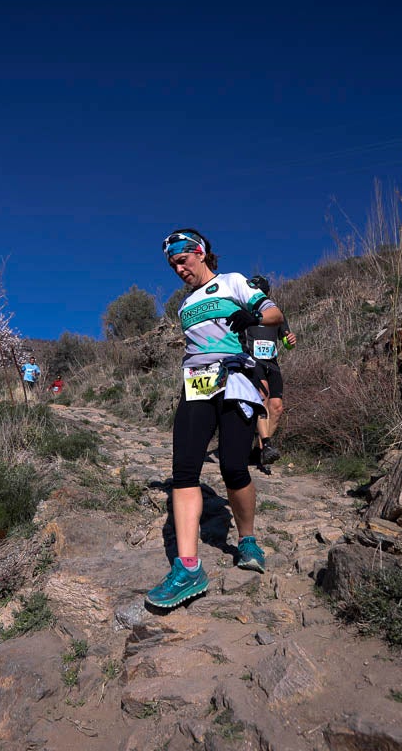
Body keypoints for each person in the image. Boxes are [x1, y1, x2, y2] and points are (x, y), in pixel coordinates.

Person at [146, 228, 286, 609]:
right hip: (196, 384)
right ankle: (188, 568)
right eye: (172, 265)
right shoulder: (183, 306)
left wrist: (252, 315)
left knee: (233, 467)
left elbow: (274, 314)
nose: (179, 269)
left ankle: (247, 539)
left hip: (236, 379)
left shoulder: (233, 282)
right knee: (184, 471)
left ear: (201, 252)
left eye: (182, 260)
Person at [241, 276, 296, 468]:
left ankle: (260, 450)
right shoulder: (244, 312)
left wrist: (290, 341)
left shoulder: (276, 313)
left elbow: (286, 340)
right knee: (261, 399)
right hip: (253, 361)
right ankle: (267, 445)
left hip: (272, 364)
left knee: (277, 408)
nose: (258, 296)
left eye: (261, 293)